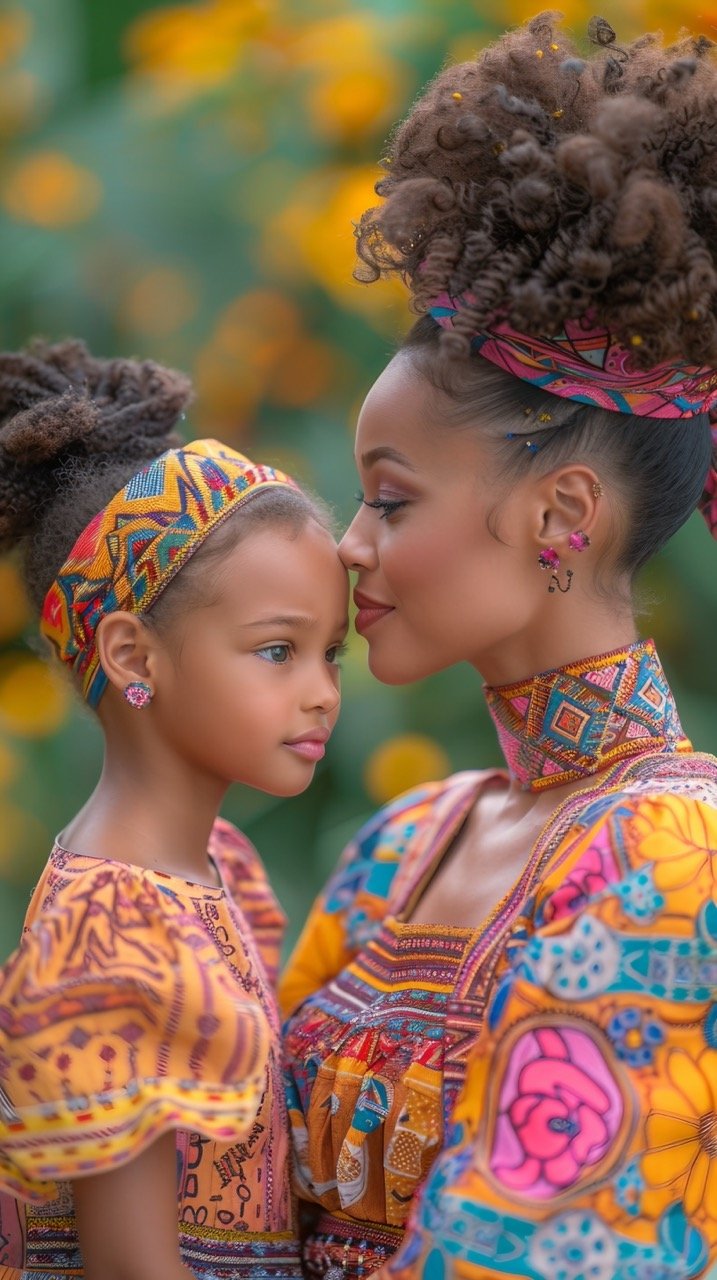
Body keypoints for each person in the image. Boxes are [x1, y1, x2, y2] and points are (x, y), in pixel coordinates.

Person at [280, 15, 717, 1280]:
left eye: (393, 499)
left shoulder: (672, 856)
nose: (349, 545)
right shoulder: (400, 850)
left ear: (560, 519)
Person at [0, 339, 348, 1280]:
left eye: (332, 655)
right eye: (278, 650)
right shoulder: (111, 937)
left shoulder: (208, 867)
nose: (322, 692)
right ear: (131, 655)